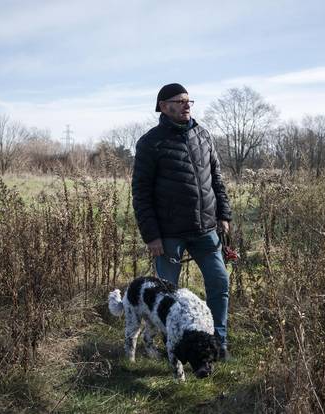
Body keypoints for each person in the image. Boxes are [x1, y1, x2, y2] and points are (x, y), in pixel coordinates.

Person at [131, 83, 233, 357]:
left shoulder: (203, 135)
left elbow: (217, 180)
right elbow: (141, 193)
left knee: (219, 283)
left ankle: (218, 343)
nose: (187, 105)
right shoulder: (150, 142)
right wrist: (151, 236)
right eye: (180, 100)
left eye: (189, 100)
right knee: (168, 297)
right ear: (164, 106)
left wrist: (224, 214)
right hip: (168, 236)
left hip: (206, 231)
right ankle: (172, 346)